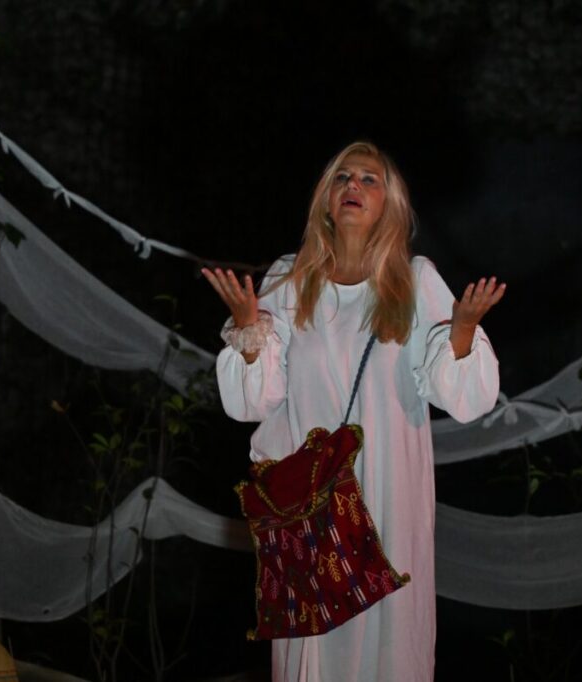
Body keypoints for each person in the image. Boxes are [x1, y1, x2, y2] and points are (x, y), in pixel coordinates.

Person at [202, 141, 504, 682]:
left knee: (388, 644)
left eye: (369, 179)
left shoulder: (414, 280)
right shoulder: (290, 280)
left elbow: (462, 398)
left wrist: (460, 330)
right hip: (308, 503)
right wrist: (248, 329)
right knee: (311, 647)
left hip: (387, 494)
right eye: (342, 177)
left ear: (389, 203)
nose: (353, 186)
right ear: (326, 199)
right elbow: (253, 403)